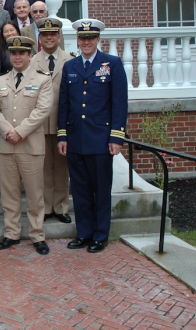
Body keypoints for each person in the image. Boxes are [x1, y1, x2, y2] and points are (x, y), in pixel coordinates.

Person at [58, 19, 128, 253]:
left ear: (98, 40)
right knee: (79, 189)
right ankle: (84, 233)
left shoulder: (112, 64)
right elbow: (64, 103)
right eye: (82, 38)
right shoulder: (70, 66)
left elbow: (119, 103)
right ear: (77, 40)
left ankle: (100, 235)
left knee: (100, 189)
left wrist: (116, 137)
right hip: (76, 137)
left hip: (100, 138)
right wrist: (62, 136)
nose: (86, 42)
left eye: (90, 38)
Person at [0, 36, 53, 255]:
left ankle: (37, 234)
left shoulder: (43, 79)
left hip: (31, 145)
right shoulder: (0, 81)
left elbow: (43, 110)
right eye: (13, 53)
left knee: (35, 193)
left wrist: (20, 132)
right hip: (6, 146)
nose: (17, 57)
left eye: (21, 53)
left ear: (30, 55)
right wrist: (9, 132)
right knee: (9, 193)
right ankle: (11, 233)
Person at [30, 18, 74, 223]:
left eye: (53, 34)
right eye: (45, 35)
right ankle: (46, 207)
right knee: (43, 168)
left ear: (59, 36)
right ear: (40, 37)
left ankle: (61, 207)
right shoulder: (32, 61)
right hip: (40, 124)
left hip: (64, 123)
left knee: (62, 168)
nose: (49, 38)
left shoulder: (71, 60)